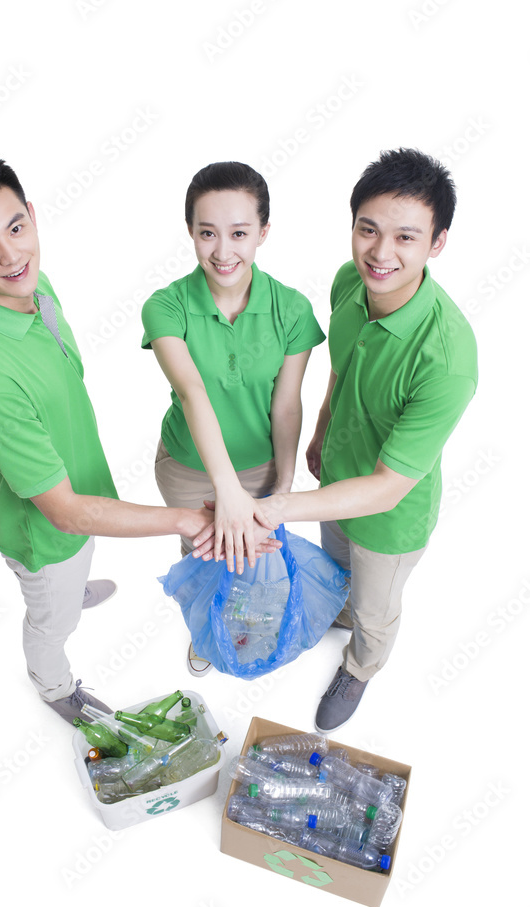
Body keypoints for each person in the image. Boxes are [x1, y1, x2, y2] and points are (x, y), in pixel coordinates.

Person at [0, 151, 276, 726]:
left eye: (16, 228)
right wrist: (191, 520)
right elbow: (64, 513)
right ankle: (53, 682)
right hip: (47, 531)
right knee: (51, 616)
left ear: (32, 216)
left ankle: (73, 590)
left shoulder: (33, 290)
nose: (12, 255)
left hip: (80, 494)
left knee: (78, 560)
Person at [193, 148, 478, 732]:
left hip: (389, 517)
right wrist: (321, 429)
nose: (380, 253)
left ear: (437, 243)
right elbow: (343, 369)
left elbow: (384, 489)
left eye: (406, 237)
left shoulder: (447, 360)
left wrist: (276, 506)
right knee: (336, 565)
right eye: (368, 229)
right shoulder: (352, 283)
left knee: (375, 609)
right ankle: (339, 612)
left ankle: (361, 664)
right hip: (335, 478)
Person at [141, 161, 326, 675]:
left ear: (263, 232)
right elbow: (192, 392)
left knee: (254, 556)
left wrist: (282, 488)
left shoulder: (291, 309)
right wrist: (226, 493)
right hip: (190, 467)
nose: (223, 252)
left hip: (263, 467)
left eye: (239, 233)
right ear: (191, 233)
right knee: (204, 554)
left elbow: (286, 405)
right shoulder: (166, 306)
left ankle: (247, 619)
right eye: (207, 234)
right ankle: (207, 629)